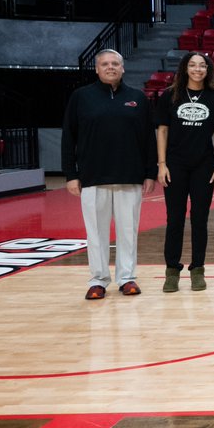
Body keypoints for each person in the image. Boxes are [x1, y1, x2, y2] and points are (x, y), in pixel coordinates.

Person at [63, 49, 156, 300]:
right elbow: (68, 137)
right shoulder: (81, 97)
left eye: (115, 63)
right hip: (93, 177)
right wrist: (71, 174)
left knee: (128, 231)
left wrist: (150, 173)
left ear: (123, 68)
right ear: (96, 68)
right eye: (105, 64)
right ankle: (98, 280)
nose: (110, 67)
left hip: (130, 176)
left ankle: (127, 278)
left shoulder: (138, 98)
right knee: (95, 233)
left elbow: (149, 138)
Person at [155, 51, 214, 294]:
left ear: (208, 70)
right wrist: (162, 164)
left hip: (203, 165)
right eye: (193, 65)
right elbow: (162, 130)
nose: (197, 69)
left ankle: (198, 269)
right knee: (174, 219)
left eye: (202, 65)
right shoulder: (170, 96)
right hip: (175, 164)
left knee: (199, 220)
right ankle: (172, 271)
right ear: (185, 68)